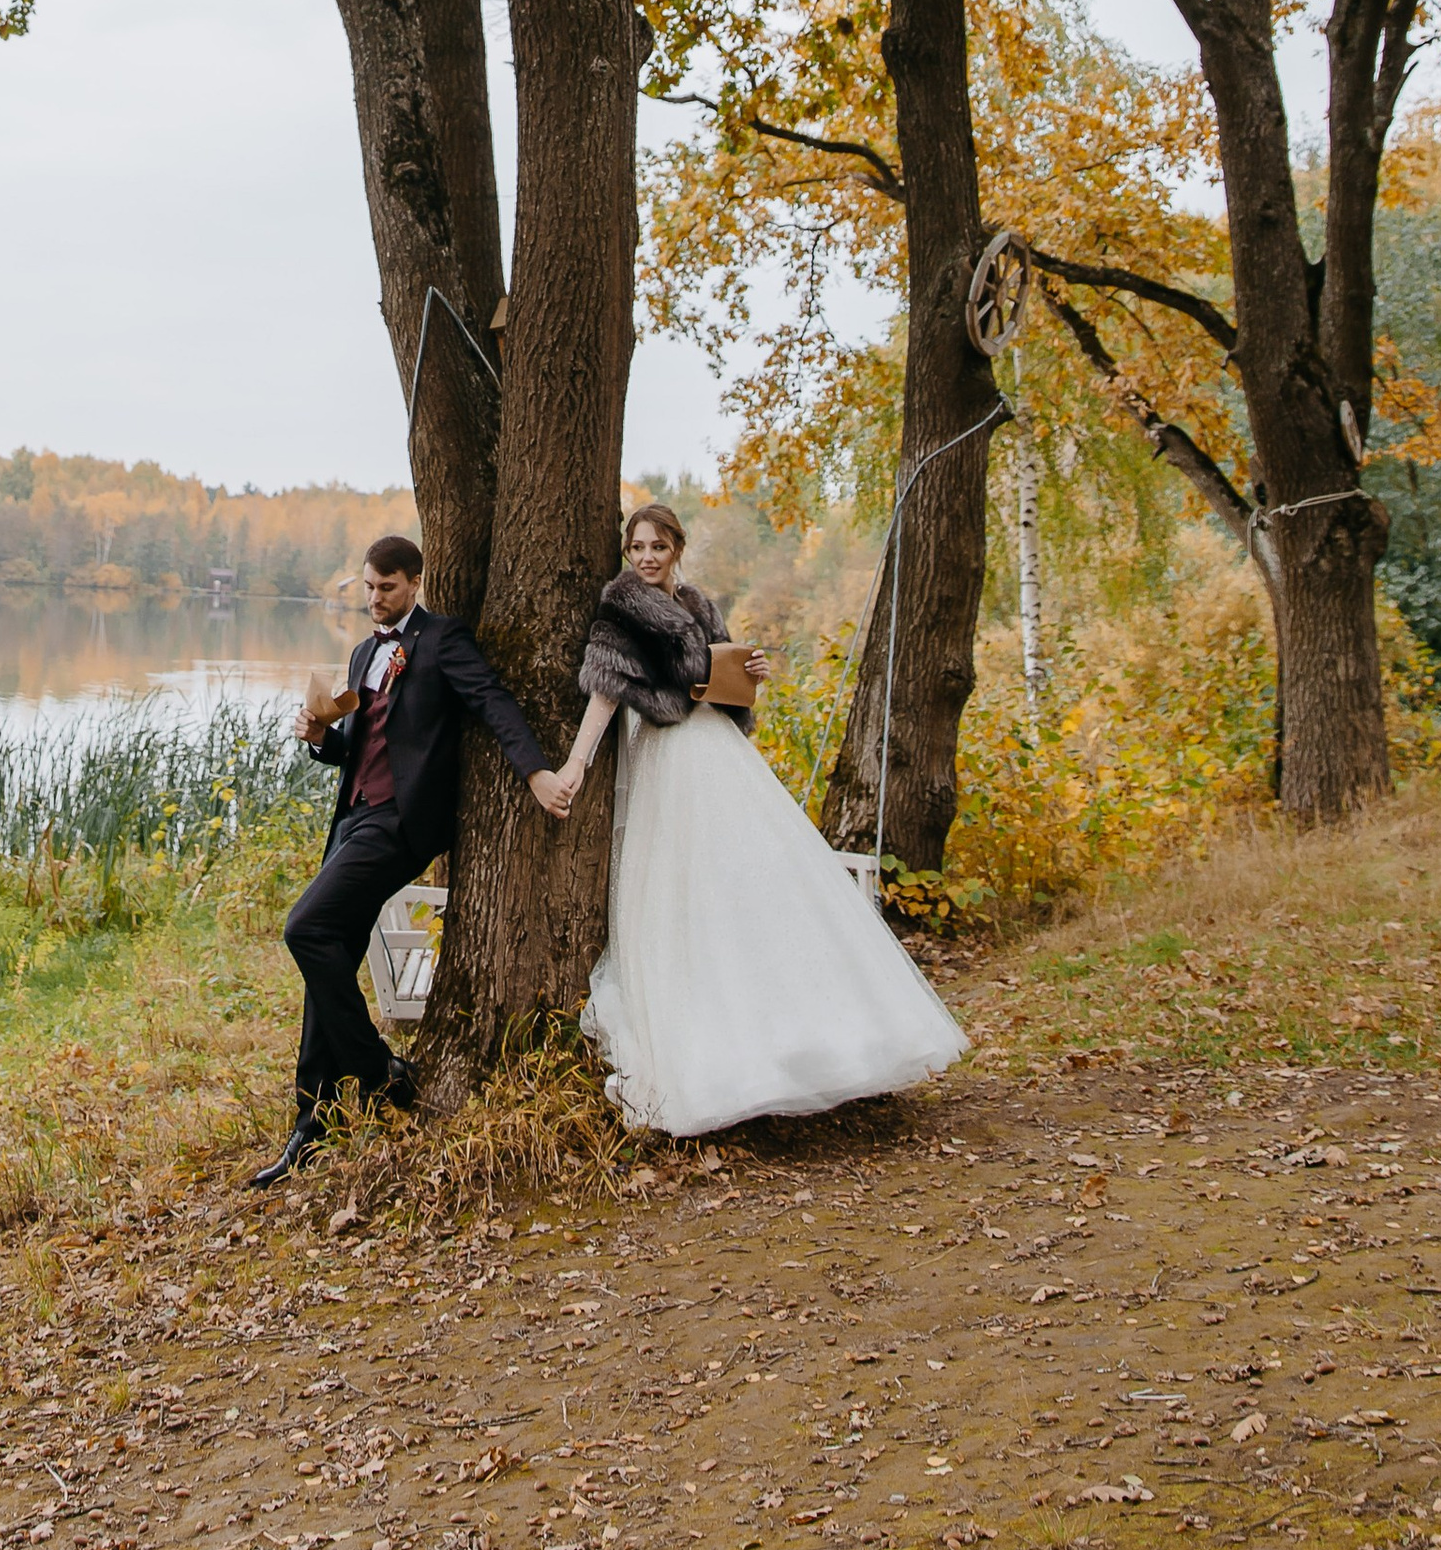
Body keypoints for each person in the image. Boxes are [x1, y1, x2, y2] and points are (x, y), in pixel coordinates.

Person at [547, 500, 968, 1137]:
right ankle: (713, 1058)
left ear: (677, 548)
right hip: (666, 758)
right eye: (637, 548)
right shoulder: (622, 608)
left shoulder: (699, 602)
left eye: (657, 547)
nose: (646, 559)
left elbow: (721, 677)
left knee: (754, 885)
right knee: (681, 896)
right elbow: (606, 691)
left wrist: (751, 675)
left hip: (721, 752)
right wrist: (576, 764)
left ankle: (799, 1042)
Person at [251, 530, 568, 1186]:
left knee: (303, 929)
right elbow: (357, 749)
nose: (374, 599)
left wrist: (536, 772)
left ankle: (378, 1070)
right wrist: (319, 737)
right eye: (368, 587)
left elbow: (493, 703)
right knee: (327, 954)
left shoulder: (442, 641)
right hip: (352, 821)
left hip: (400, 824)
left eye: (386, 588)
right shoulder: (364, 651)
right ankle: (311, 1129)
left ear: (415, 583)